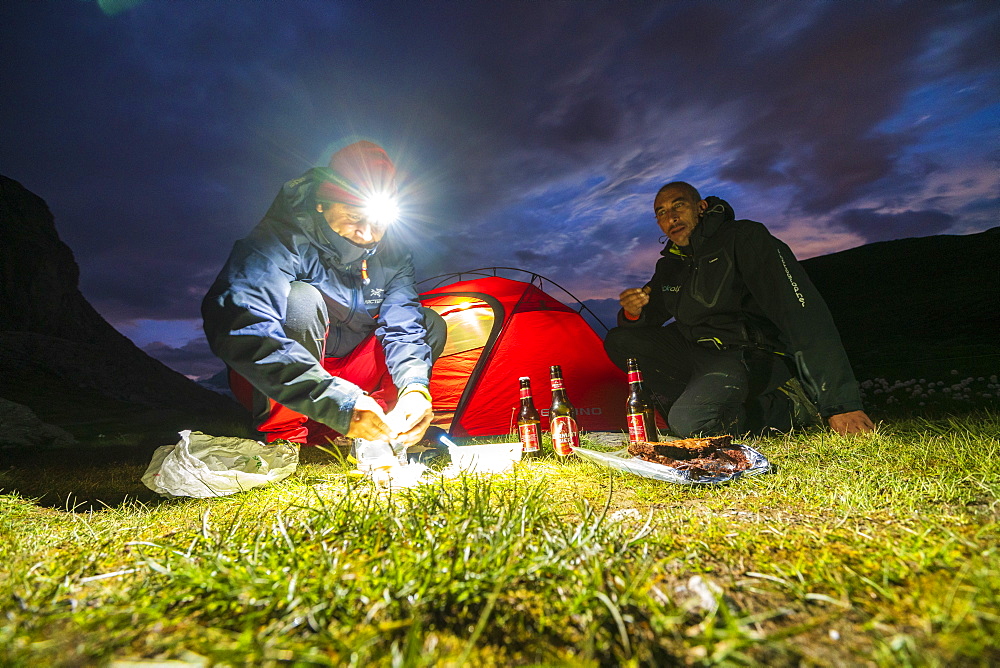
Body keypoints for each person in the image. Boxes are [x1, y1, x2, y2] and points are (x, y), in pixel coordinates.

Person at [202, 140, 446, 448]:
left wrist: (414, 388)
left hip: (352, 371)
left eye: (379, 220)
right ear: (322, 203)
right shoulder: (281, 240)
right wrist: (336, 401)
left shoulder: (394, 256)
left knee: (428, 322)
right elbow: (239, 319)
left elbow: (404, 325)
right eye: (354, 215)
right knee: (301, 299)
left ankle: (384, 430)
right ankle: (285, 439)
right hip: (278, 371)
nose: (367, 232)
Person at [604, 181, 874, 437]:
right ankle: (701, 404)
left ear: (701, 207)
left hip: (747, 354)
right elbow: (651, 316)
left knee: (690, 425)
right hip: (699, 354)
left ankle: (790, 406)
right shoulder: (670, 265)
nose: (670, 217)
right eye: (661, 213)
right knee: (621, 341)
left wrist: (840, 404)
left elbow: (802, 313)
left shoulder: (743, 238)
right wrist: (634, 312)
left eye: (678, 206)